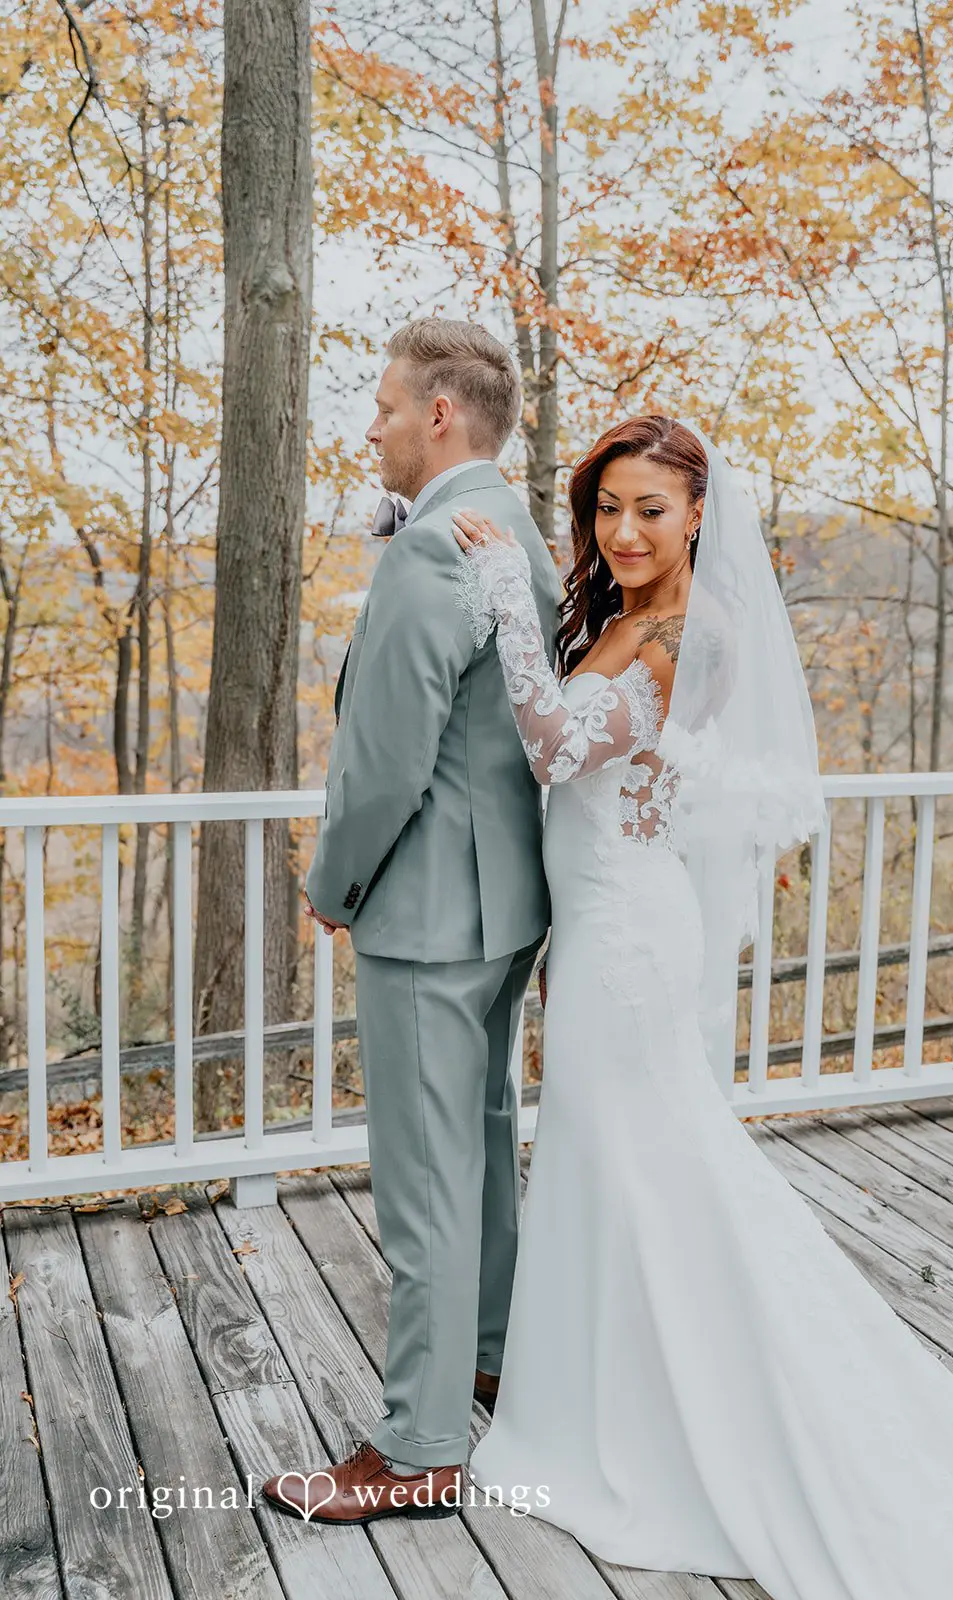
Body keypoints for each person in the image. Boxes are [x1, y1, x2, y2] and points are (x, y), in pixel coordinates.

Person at [449, 414, 953, 1598]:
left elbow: (549, 744)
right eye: (604, 508)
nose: (620, 530)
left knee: (646, 1164)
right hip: (605, 926)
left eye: (648, 509)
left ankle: (680, 1417)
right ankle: (597, 1392)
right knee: (605, 1161)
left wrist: (494, 582)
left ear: (696, 517)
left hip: (628, 937)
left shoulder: (694, 632)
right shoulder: (629, 618)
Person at [262, 318, 560, 1524]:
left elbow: (385, 761)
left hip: (429, 913)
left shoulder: (436, 549)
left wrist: (331, 886)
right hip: (498, 910)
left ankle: (419, 1444)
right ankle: (485, 1356)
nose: (370, 423)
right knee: (477, 1150)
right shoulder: (517, 534)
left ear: (441, 413)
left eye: (383, 403)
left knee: (422, 1179)